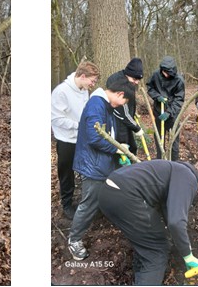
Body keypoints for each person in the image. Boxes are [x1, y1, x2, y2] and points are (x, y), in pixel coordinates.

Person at [98, 160, 198, 284]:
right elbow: (176, 222)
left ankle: (141, 278)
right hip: (125, 196)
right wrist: (188, 256)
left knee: (146, 242)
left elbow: (168, 211)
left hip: (108, 192)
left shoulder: (174, 169)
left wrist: (179, 241)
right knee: (157, 250)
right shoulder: (189, 180)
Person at [67, 73, 135, 261]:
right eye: (124, 101)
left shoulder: (105, 105)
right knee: (89, 203)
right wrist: (118, 150)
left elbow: (107, 134)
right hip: (93, 165)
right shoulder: (97, 104)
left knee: (113, 191)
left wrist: (119, 150)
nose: (122, 104)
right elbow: (95, 137)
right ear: (120, 94)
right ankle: (74, 240)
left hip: (102, 162)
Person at [50, 60, 101, 220]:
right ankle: (66, 205)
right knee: (66, 173)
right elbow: (56, 119)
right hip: (66, 140)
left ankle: (88, 201)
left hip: (82, 138)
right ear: (83, 76)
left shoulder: (84, 90)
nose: (93, 85)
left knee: (86, 169)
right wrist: (79, 125)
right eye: (92, 81)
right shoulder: (61, 92)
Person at [147, 56, 185, 161]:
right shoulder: (156, 75)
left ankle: (174, 162)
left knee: (173, 140)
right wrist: (157, 97)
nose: (165, 74)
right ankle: (161, 160)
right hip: (159, 111)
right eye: (163, 72)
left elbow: (179, 99)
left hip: (172, 114)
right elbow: (150, 88)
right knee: (159, 139)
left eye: (167, 72)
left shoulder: (179, 80)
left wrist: (169, 112)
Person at [108, 58, 145, 158]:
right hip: (118, 123)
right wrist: (136, 128)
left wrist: (133, 112)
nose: (137, 82)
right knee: (124, 150)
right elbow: (122, 111)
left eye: (138, 80)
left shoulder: (129, 81)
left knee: (132, 148)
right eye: (135, 79)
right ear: (128, 74)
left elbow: (129, 103)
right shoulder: (118, 82)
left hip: (126, 121)